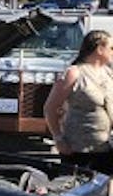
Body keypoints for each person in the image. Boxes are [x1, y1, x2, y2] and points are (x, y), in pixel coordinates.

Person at [43, 29, 113, 172]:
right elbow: (50, 108)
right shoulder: (74, 73)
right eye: (111, 48)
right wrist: (58, 139)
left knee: (104, 190)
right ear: (99, 49)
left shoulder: (108, 73)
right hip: (78, 149)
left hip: (105, 147)